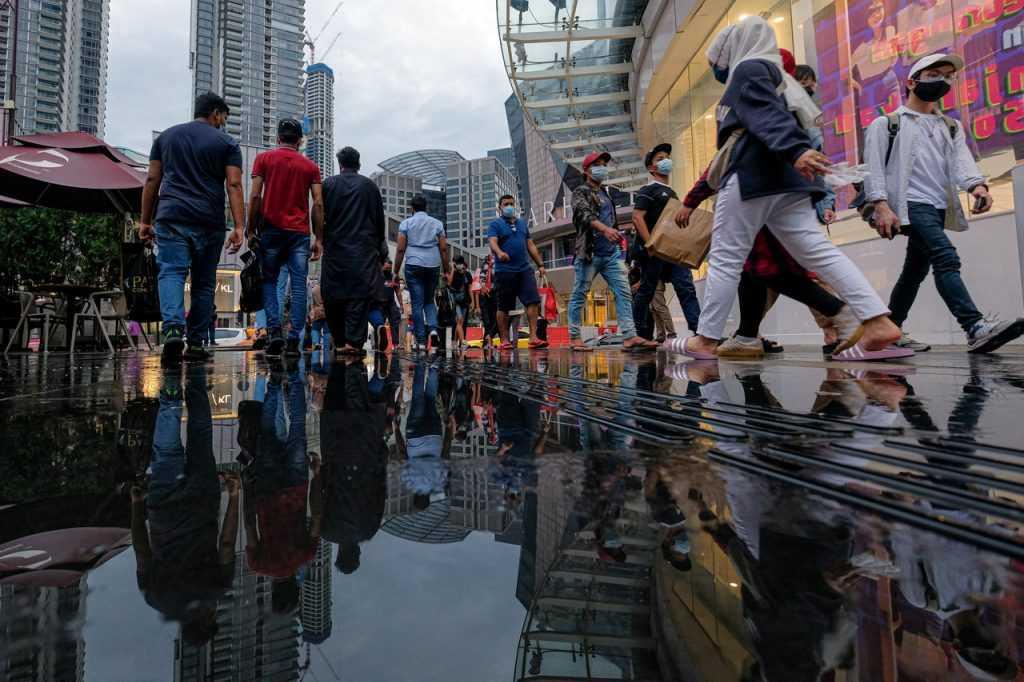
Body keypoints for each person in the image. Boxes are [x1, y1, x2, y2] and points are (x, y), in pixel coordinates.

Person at [680, 17, 907, 362]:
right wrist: (796, 153)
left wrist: (793, 149)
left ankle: (706, 340)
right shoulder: (780, 76)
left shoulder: (749, 68)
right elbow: (789, 120)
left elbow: (766, 115)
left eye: (715, 59)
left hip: (753, 176)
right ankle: (877, 321)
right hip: (789, 182)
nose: (715, 67)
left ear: (732, 49)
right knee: (817, 250)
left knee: (726, 258)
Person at [864, 53, 1024, 354]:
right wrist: (881, 205)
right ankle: (974, 327)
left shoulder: (950, 126)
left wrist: (977, 186)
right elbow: (873, 168)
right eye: (935, 74)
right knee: (946, 257)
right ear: (912, 82)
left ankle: (887, 333)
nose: (944, 81)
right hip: (911, 204)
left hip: (938, 206)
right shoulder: (887, 124)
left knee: (914, 272)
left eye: (949, 76)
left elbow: (961, 162)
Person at [132, 365, 238, 645]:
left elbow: (227, 544)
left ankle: (196, 380)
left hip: (202, 504)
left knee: (201, 435)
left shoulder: (216, 590)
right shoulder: (156, 598)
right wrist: (136, 505)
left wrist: (235, 497)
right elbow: (142, 551)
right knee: (165, 452)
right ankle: (169, 398)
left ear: (206, 620)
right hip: (163, 512)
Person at [139, 92, 245, 364]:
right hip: (209, 221)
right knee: (204, 283)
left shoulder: (165, 138)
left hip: (171, 216)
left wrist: (145, 220)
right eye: (224, 117)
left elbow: (152, 178)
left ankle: (173, 327)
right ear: (216, 113)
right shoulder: (227, 143)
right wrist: (240, 226)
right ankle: (196, 342)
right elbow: (233, 185)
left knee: (172, 272)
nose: (223, 122)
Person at [246, 118, 324, 358]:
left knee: (269, 282)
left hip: (270, 230)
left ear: (278, 138)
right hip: (299, 234)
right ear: (299, 141)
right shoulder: (310, 167)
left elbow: (256, 197)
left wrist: (251, 229)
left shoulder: (264, 159)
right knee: (299, 285)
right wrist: (318, 238)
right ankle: (293, 340)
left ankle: (274, 333)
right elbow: (318, 203)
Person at [568, 152, 653, 352]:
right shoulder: (580, 191)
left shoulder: (605, 193)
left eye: (604, 164)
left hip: (611, 255)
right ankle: (574, 337)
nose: (602, 168)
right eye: (597, 164)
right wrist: (605, 230)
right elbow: (583, 214)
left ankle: (630, 336)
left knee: (624, 292)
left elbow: (610, 220)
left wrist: (614, 235)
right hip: (589, 253)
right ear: (586, 170)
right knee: (580, 293)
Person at [630, 142, 701, 344]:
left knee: (686, 288)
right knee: (647, 291)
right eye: (660, 159)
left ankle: (700, 332)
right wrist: (650, 244)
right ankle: (640, 336)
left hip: (672, 252)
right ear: (651, 168)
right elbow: (637, 217)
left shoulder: (672, 193)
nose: (666, 161)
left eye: (667, 157)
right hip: (653, 252)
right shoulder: (649, 189)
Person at [320, 146, 387, 355]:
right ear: (358, 164)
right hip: (363, 252)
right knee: (359, 296)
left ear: (340, 164)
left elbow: (319, 214)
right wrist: (380, 248)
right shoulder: (369, 187)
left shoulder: (328, 184)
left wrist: (320, 239)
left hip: (335, 250)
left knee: (332, 296)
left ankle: (339, 341)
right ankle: (354, 342)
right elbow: (379, 221)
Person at [486, 194, 548, 350]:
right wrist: (499, 253)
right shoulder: (495, 224)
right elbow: (492, 242)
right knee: (504, 307)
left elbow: (530, 245)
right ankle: (504, 340)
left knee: (533, 301)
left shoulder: (522, 224)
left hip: (524, 269)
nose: (509, 207)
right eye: (506, 204)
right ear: (499, 207)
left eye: (512, 204)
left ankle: (533, 337)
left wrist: (540, 264)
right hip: (504, 271)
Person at [393, 195, 450, 351]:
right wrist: (447, 270)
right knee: (429, 301)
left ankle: (421, 340)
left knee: (417, 303)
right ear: (426, 207)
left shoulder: (406, 224)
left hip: (413, 264)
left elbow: (400, 249)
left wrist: (395, 271)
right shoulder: (437, 224)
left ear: (412, 208)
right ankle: (432, 329)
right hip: (433, 265)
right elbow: (444, 249)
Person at [368, 259, 402, 352]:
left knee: (395, 322)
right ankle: (377, 345)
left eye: (389, 268)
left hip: (391, 303)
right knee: (379, 325)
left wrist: (401, 305)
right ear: (382, 266)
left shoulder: (394, 277)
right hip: (378, 304)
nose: (388, 269)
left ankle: (396, 344)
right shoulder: (376, 275)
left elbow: (398, 292)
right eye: (386, 267)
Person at [447, 255, 473, 348]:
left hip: (465, 301)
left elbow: (470, 289)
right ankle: (463, 342)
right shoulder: (451, 272)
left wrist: (472, 302)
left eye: (459, 263)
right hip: (455, 300)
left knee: (461, 323)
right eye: (456, 263)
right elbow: (449, 283)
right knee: (459, 320)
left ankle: (454, 341)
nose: (458, 265)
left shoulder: (467, 274)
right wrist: (453, 270)